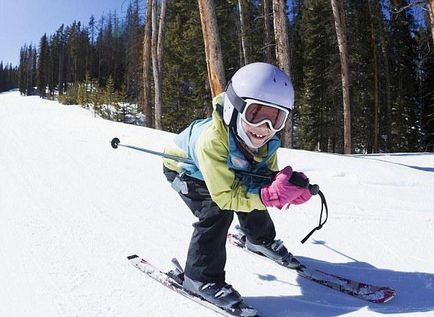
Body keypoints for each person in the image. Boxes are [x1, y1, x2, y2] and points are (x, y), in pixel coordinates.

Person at [162, 62, 312, 312]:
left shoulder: (266, 142)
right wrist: (267, 196)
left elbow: (263, 180)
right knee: (216, 211)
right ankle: (200, 278)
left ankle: (259, 238)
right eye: (256, 114)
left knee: (255, 188)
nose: (264, 128)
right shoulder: (212, 141)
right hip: (186, 171)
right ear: (235, 108)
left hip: (223, 173)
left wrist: (289, 190)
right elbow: (225, 197)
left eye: (276, 118)